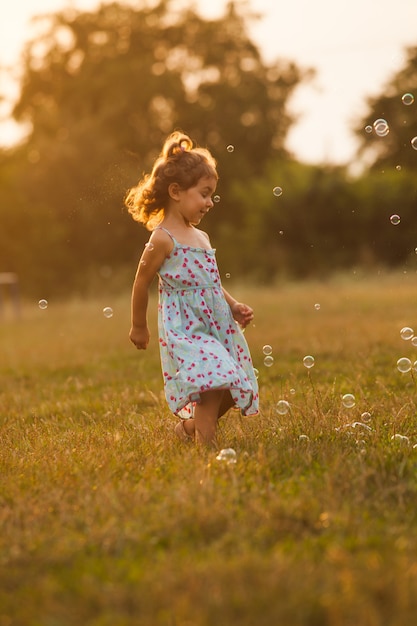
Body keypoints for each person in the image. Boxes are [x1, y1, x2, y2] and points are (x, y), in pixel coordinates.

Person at [125, 131, 259, 447]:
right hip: (185, 328)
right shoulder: (162, 239)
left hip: (215, 325)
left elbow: (211, 283)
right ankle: (207, 451)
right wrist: (138, 325)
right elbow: (141, 282)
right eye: (204, 193)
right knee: (214, 383)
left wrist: (234, 305)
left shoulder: (202, 239)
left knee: (233, 384)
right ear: (176, 191)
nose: (210, 202)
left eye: (211, 194)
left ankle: (189, 429)